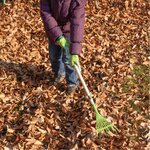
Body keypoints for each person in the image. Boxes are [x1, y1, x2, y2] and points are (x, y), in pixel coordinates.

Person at [40, 0, 86, 94]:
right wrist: (57, 35)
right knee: (54, 56)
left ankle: (72, 82)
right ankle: (59, 73)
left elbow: (77, 22)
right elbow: (46, 13)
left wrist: (75, 52)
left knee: (69, 59)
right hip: (53, 30)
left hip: (69, 30)